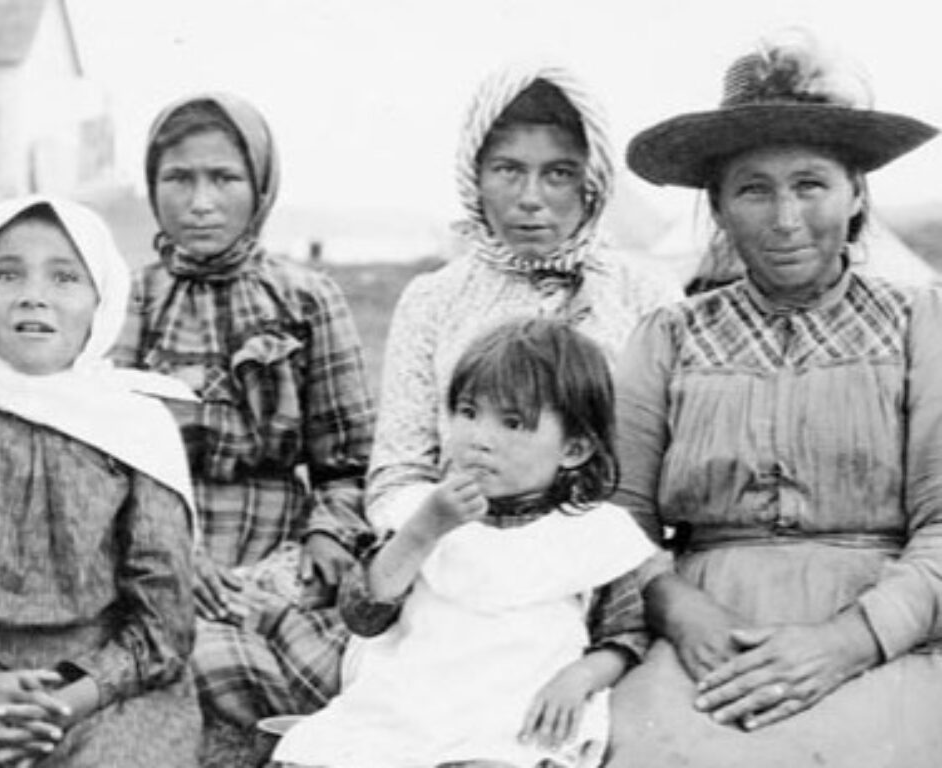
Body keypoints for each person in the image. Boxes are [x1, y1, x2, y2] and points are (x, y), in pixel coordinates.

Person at [604, 28, 942, 767]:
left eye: (811, 184)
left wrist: (850, 642)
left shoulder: (922, 323)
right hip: (703, 634)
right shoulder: (668, 337)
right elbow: (617, 524)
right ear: (719, 208)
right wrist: (679, 611)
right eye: (754, 189)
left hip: (889, 631)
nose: (786, 219)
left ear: (856, 195)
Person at [365, 62, 681, 674]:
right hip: (456, 565)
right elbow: (397, 471)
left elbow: (671, 463)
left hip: (613, 570)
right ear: (474, 176)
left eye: (559, 174)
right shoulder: (432, 299)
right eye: (507, 169)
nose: (530, 197)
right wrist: (443, 532)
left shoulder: (650, 293)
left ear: (592, 182)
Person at [110, 92, 376, 743]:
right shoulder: (126, 298)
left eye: (224, 178)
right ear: (153, 187)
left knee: (342, 673)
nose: (200, 201)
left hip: (282, 549)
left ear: (260, 187)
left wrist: (328, 538)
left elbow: (348, 462)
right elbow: (101, 460)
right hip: (164, 552)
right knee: (207, 659)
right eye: (179, 178)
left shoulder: (308, 298)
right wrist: (166, 551)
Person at [273, 318, 657, 768]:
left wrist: (581, 677)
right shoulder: (424, 511)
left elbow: (626, 633)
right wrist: (423, 530)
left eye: (513, 423)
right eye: (468, 413)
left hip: (513, 711)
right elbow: (363, 614)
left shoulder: (595, 533)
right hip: (410, 701)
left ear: (573, 450)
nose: (479, 439)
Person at [0, 195, 200, 767]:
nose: (33, 294)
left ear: (102, 301)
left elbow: (164, 626)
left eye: (65, 277)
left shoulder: (135, 434)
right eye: (6, 273)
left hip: (105, 687)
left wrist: (66, 703)